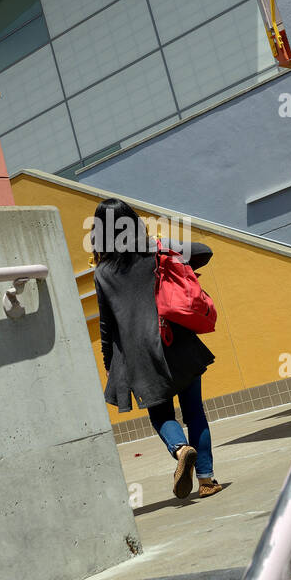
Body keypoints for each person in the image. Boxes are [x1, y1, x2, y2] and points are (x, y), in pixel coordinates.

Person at [90, 198, 223, 500]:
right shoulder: (155, 251)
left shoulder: (103, 273)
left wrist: (108, 361)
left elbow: (107, 324)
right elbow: (205, 251)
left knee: (161, 415)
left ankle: (180, 449)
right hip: (176, 340)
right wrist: (164, 249)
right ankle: (206, 479)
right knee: (194, 413)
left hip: (139, 358)